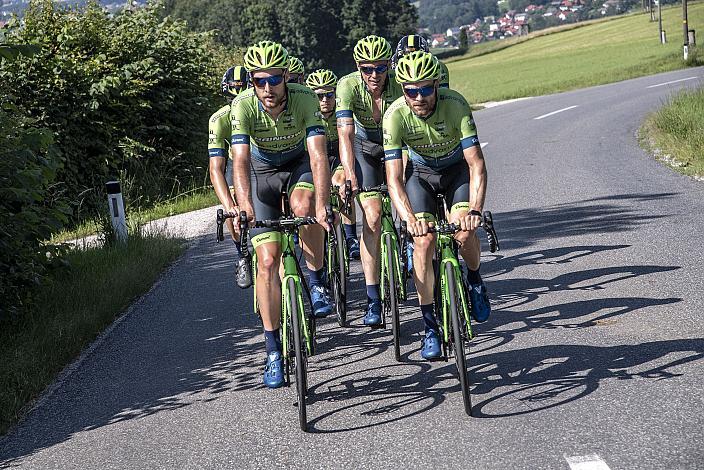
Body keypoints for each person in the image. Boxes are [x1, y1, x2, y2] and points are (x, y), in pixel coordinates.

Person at [231, 41, 332, 388]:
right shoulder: (242, 106)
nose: (268, 88)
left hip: (297, 165)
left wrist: (323, 203)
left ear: (286, 76)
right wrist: (244, 205)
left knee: (306, 209)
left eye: (274, 80)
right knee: (268, 262)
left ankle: (317, 281)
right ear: (251, 82)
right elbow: (240, 161)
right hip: (261, 174)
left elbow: (318, 155)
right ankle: (273, 350)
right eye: (260, 81)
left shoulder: (304, 98)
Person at [383, 51, 491, 361]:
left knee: (464, 232)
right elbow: (393, 179)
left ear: (436, 85)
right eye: (410, 91)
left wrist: (474, 211)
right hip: (421, 177)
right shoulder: (395, 116)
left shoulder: (455, 104)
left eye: (425, 89)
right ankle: (430, 326)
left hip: (455, 171)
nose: (418, 97)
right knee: (423, 243)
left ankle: (474, 279)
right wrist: (408, 220)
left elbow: (477, 166)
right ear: (403, 90)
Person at [336, 34, 403, 326]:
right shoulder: (347, 85)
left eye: (380, 67)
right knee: (373, 217)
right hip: (364, 148)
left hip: (397, 146)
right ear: (357, 67)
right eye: (367, 69)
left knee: (410, 201)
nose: (374, 75)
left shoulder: (401, 83)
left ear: (390, 65)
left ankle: (413, 245)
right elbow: (345, 134)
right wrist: (350, 174)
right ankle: (373, 297)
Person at [305, 69, 360, 258]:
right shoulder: (307, 114)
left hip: (337, 157)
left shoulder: (342, 111)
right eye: (319, 96)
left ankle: (351, 236)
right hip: (316, 159)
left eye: (329, 94)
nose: (325, 100)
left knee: (341, 184)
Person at [208, 65, 250, 287]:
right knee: (232, 215)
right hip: (237, 167)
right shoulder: (219, 120)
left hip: (263, 164)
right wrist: (229, 205)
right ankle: (242, 255)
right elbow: (216, 168)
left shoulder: (260, 110)